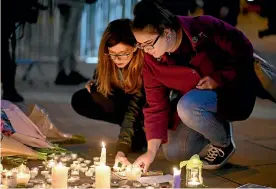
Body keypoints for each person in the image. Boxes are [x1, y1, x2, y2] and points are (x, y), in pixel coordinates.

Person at [131, 0, 267, 171]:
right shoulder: (151, 61)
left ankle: (223, 142)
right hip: (194, 103)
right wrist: (150, 153)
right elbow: (155, 105)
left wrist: (218, 78)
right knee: (174, 154)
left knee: (187, 106)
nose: (145, 50)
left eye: (149, 43)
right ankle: (212, 123)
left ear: (166, 33)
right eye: (140, 45)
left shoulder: (204, 27)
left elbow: (243, 48)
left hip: (231, 93)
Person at [71, 19, 146, 168]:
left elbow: (133, 109)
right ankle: (134, 136)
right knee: (81, 99)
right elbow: (99, 78)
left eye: (123, 53)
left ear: (135, 47)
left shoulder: (145, 67)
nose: (117, 59)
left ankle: (138, 133)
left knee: (127, 105)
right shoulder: (108, 61)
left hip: (142, 107)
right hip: (123, 103)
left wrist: (121, 149)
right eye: (112, 53)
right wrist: (95, 88)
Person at [55, 0, 97, 85]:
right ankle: (66, 71)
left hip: (65, 2)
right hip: (74, 2)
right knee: (70, 35)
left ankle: (67, 69)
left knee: (66, 34)